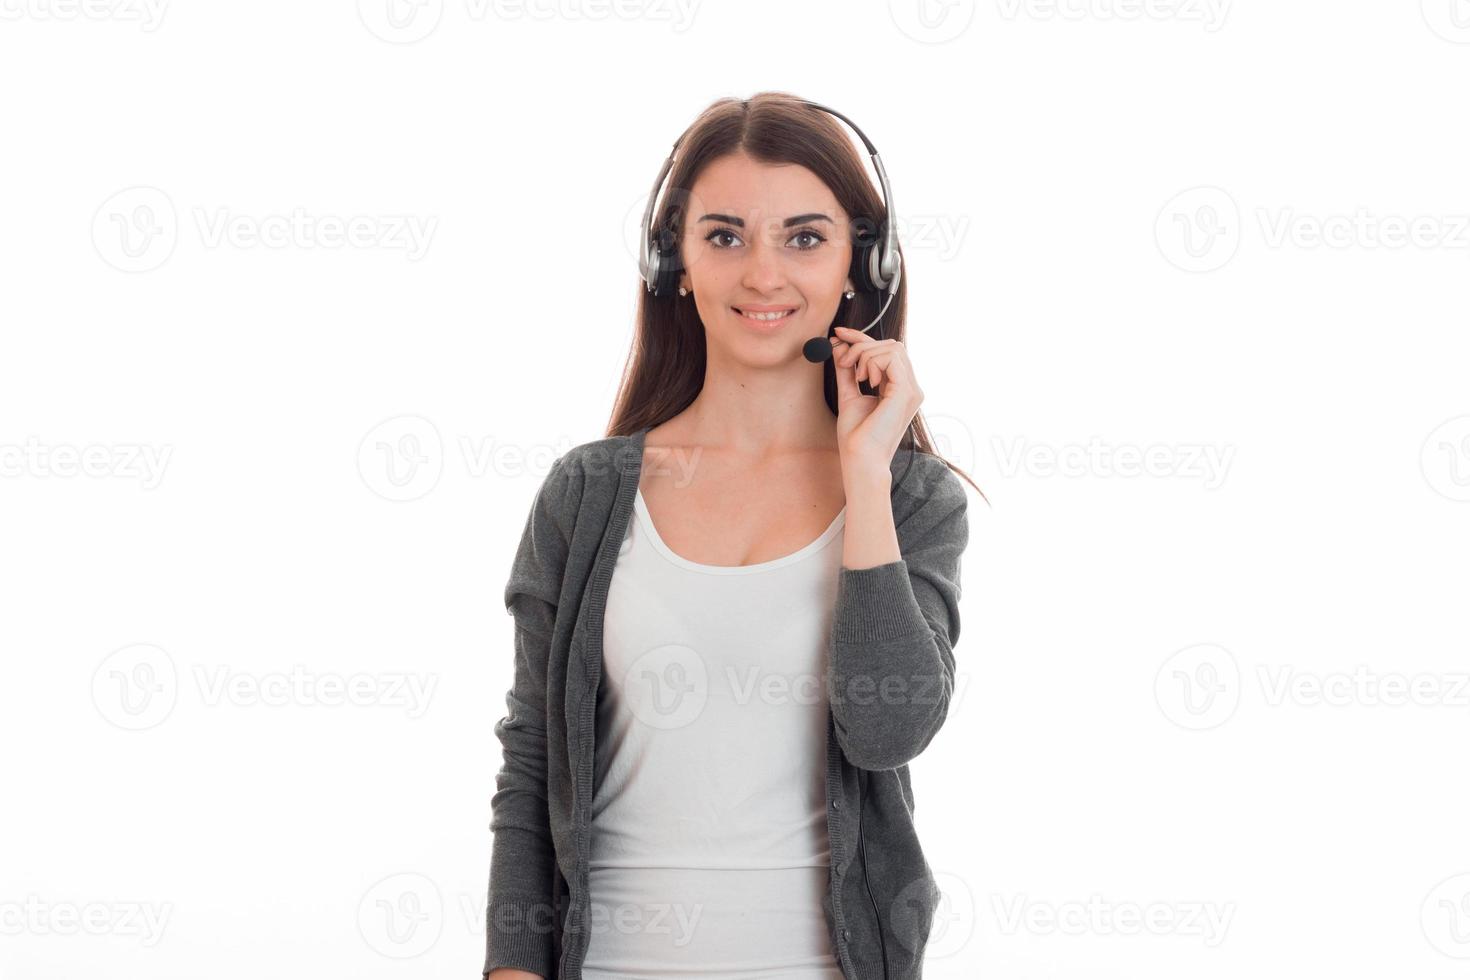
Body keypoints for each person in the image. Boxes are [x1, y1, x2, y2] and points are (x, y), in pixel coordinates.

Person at [484, 91, 982, 980]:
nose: (763, 274)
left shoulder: (913, 499)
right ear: (671, 258)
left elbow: (887, 729)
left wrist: (864, 473)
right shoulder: (586, 492)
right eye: (724, 236)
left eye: (803, 236)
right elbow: (531, 763)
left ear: (864, 262)